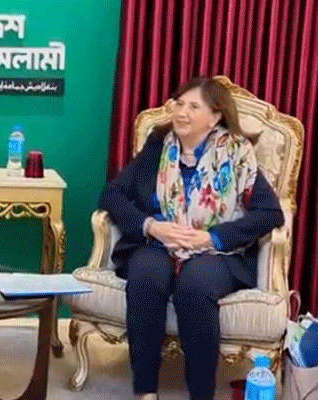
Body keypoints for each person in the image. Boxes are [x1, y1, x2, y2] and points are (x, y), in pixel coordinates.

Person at [99, 77, 284, 400]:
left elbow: (270, 214)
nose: (182, 112)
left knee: (195, 287)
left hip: (216, 252)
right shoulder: (158, 145)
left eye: (193, 106)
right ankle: (145, 391)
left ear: (214, 117)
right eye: (179, 104)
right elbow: (111, 194)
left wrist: (211, 238)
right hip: (158, 243)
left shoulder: (237, 153)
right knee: (145, 277)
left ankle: (201, 394)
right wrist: (150, 226)